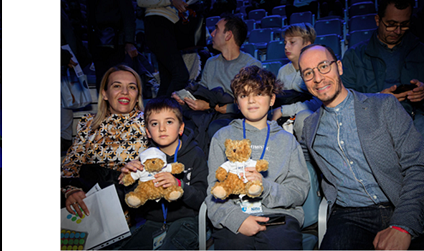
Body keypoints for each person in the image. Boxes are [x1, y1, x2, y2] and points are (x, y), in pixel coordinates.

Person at [299, 44, 424, 250]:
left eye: (323, 66)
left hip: (400, 202)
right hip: (350, 214)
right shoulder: (310, 126)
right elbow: (293, 159)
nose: (318, 78)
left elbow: (418, 166)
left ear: (339, 67)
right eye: (308, 73)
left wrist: (403, 225)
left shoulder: (384, 105)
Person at [205, 66, 310, 249]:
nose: (251, 100)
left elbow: (298, 191)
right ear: (237, 103)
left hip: (279, 217)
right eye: (244, 95)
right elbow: (214, 192)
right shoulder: (222, 137)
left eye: (259, 93)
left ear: (272, 99)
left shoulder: (287, 140)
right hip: (235, 215)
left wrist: (265, 188)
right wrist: (238, 220)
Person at [113, 97, 208, 250]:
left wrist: (179, 185)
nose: (162, 128)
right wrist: (127, 179)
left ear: (181, 128)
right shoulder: (145, 158)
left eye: (169, 122)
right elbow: (132, 200)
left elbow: (203, 198)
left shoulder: (195, 154)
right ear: (148, 132)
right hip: (153, 222)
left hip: (188, 221)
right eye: (155, 124)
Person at [62, 65, 147, 218]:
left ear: (137, 95)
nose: (125, 92)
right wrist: (71, 190)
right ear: (105, 93)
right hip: (93, 208)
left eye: (132, 87)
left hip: (136, 208)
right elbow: (70, 165)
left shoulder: (150, 123)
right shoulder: (88, 124)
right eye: (117, 86)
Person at [172, 13, 261, 153]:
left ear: (228, 35)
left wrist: (209, 105)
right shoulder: (211, 62)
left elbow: (251, 106)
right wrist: (185, 98)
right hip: (208, 113)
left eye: (216, 29)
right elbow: (203, 91)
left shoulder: (251, 66)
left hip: (234, 116)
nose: (212, 34)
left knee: (216, 128)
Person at [341, 0, 424, 137]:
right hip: (373, 122)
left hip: (416, 120)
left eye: (404, 25)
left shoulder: (420, 51)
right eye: (391, 25)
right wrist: (377, 99)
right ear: (378, 20)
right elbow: (344, 101)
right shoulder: (355, 56)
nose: (397, 31)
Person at [269, 23, 321, 134]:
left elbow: (317, 103)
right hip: (284, 120)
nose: (286, 47)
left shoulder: (315, 70)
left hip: (306, 118)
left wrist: (284, 110)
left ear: (306, 44)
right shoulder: (283, 71)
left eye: (292, 42)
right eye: (285, 43)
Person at [137, 0, 190, 98]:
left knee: (168, 79)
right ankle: (165, 110)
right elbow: (141, 1)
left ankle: (158, 110)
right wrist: (171, 1)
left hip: (173, 24)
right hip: (157, 22)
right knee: (180, 75)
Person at [86, 0, 138, 90]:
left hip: (117, 41)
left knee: (116, 77)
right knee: (104, 78)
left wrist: (129, 42)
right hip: (98, 40)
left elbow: (128, 15)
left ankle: (112, 102)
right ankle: (105, 102)